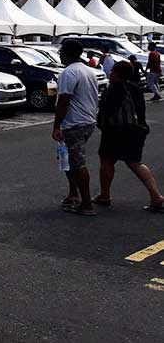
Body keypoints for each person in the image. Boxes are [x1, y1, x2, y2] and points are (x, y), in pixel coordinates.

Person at [95, 60, 164, 212]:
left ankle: (105, 195)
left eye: (113, 71)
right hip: (136, 130)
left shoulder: (112, 91)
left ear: (117, 73)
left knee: (106, 160)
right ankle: (156, 195)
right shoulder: (136, 89)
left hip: (115, 132)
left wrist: (101, 124)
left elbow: (106, 113)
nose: (110, 73)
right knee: (135, 163)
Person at [53, 39, 101, 216]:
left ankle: (86, 204)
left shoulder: (69, 73)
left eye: (61, 51)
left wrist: (56, 125)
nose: (60, 54)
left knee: (78, 162)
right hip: (87, 120)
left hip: (74, 123)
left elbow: (64, 101)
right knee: (69, 159)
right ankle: (73, 194)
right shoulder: (88, 71)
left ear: (67, 53)